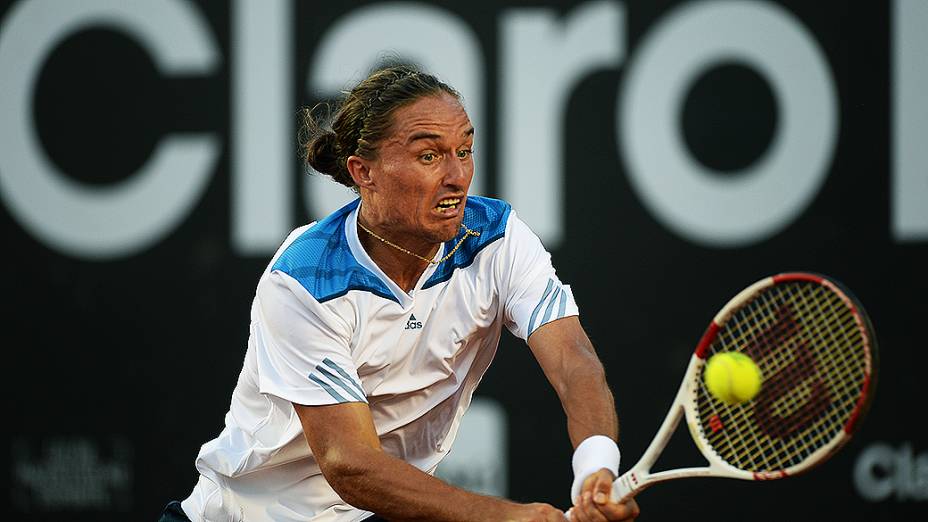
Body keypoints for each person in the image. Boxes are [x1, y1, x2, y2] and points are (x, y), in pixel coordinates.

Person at [162, 64, 640, 522]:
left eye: (465, 149)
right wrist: (504, 516)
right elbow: (350, 463)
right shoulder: (304, 280)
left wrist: (594, 468)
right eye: (429, 156)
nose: (457, 176)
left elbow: (573, 361)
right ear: (363, 172)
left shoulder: (498, 238)